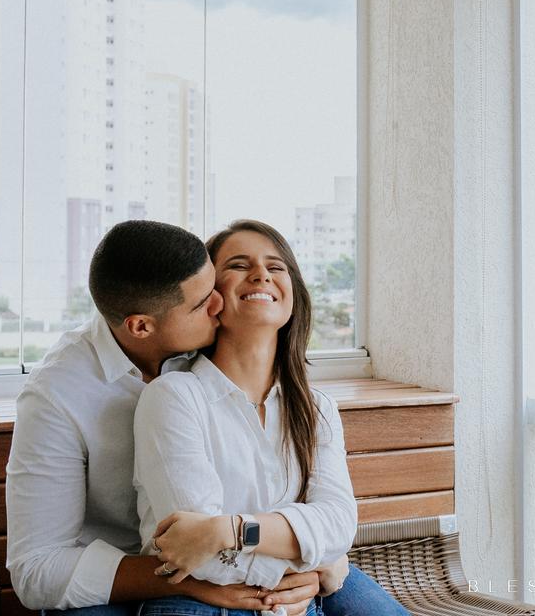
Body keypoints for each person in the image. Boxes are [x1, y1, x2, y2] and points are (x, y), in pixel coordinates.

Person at [6, 220, 320, 615]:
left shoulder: (208, 346)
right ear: (141, 326)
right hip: (118, 575)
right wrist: (188, 582)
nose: (219, 304)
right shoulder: (56, 395)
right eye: (202, 301)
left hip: (246, 553)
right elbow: (37, 571)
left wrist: (322, 556)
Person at [130, 220, 409, 616]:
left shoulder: (316, 409)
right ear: (210, 297)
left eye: (276, 267)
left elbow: (338, 525)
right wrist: (315, 562)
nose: (261, 273)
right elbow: (194, 552)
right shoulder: (173, 397)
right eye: (239, 265)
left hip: (296, 605)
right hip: (197, 604)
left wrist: (227, 530)